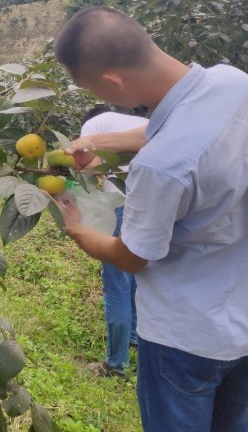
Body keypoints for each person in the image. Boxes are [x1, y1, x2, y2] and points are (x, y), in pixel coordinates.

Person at [53, 6, 248, 431]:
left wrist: (76, 228)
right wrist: (97, 140)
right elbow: (178, 129)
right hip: (247, 325)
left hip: (185, 342)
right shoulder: (234, 82)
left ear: (113, 83)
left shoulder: (160, 169)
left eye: (94, 90)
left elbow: (132, 256)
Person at [79, 105, 148, 377]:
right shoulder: (136, 122)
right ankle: (134, 336)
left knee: (116, 283)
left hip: (122, 205)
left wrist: (63, 180)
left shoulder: (93, 128)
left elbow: (91, 168)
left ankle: (115, 364)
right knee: (133, 272)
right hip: (149, 206)